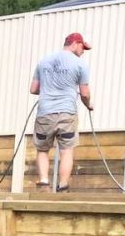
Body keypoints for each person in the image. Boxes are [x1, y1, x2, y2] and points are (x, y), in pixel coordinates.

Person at [29, 32, 92, 192]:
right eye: (82, 47)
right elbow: (84, 93)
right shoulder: (80, 64)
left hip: (44, 113)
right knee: (66, 150)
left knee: (42, 149)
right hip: (67, 113)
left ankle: (43, 183)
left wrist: (50, 89)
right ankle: (63, 186)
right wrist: (88, 105)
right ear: (75, 44)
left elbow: (34, 89)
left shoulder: (43, 61)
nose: (83, 51)